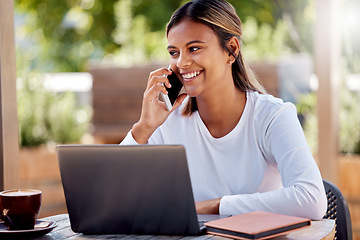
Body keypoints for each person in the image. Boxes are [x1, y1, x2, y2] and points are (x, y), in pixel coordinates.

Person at [120, 0, 327, 220]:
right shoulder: (167, 122)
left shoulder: (272, 117)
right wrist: (144, 127)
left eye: (194, 48)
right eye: (174, 52)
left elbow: (311, 199)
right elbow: (112, 193)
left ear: (232, 49)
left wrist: (217, 205)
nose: (181, 63)